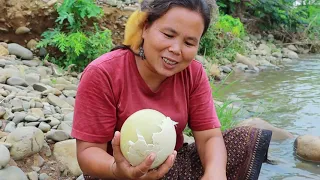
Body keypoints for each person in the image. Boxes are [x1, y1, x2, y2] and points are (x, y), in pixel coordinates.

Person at [71, 0, 272, 179]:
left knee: (244, 139)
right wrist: (118, 170)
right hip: (115, 173)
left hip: (170, 168)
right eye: (168, 34)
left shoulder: (193, 73)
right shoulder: (103, 73)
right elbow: (88, 152)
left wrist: (215, 173)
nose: (176, 49)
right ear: (145, 27)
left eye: (189, 42)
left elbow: (209, 136)